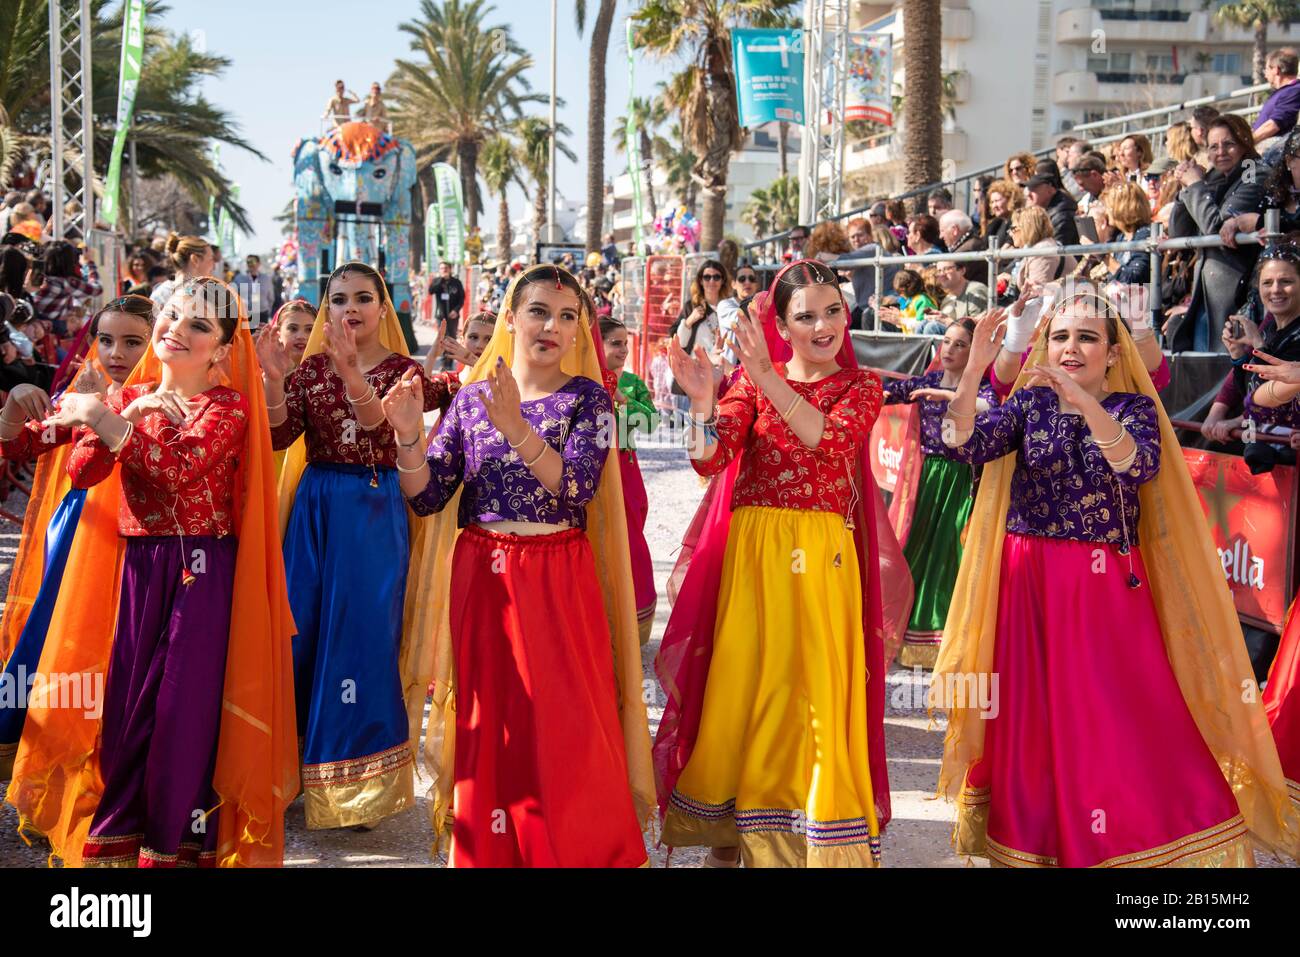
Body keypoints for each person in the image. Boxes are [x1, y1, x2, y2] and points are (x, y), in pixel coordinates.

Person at [932, 296, 1300, 868]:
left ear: (1111, 352)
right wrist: (977, 368)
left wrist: (1082, 402)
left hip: (1099, 586)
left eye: (1086, 338)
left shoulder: (1134, 408)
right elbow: (963, 442)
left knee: (1113, 712)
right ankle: (1038, 841)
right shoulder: (1028, 404)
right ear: (1044, 346)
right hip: (1026, 579)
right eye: (1060, 337)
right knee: (1030, 717)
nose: (1070, 348)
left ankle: (1132, 838)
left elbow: (1135, 465)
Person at [10, 277, 297, 867]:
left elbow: (175, 471)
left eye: (198, 325)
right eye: (172, 314)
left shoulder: (228, 407)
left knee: (179, 710)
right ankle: (119, 835)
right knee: (124, 709)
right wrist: (21, 399)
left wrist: (105, 416)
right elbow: (74, 466)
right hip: (138, 570)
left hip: (200, 573)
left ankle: (170, 845)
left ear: (221, 349)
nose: (176, 328)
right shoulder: (126, 398)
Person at [383, 264, 653, 867]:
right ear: (510, 319)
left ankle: (577, 850)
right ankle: (492, 849)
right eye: (539, 312)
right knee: (491, 716)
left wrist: (516, 427)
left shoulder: (589, 398)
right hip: (485, 575)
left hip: (557, 573)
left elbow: (576, 489)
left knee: (564, 715)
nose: (551, 327)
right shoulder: (472, 399)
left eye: (566, 317)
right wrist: (407, 439)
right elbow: (429, 496)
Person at [654, 259, 908, 867]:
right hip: (755, 554)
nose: (823, 326)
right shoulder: (747, 384)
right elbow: (708, 461)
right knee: (744, 680)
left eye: (832, 311)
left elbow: (831, 440)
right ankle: (729, 827)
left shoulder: (860, 386)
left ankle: (812, 830)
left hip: (823, 558)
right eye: (806, 316)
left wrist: (765, 375)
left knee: (815, 686)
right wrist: (699, 405)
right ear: (783, 325)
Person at [261, 262, 460, 831]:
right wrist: (275, 381)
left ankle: (356, 784)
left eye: (364, 297)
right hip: (315, 509)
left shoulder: (403, 373)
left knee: (363, 638)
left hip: (373, 511)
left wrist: (353, 376)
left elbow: (382, 432)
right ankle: (288, 772)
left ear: (383, 307)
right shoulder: (308, 370)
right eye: (340, 297)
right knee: (299, 631)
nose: (351, 307)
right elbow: (280, 435)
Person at [0, 295, 154, 777]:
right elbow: (24, 442)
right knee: (62, 637)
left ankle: (110, 768)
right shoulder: (84, 394)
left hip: (141, 538)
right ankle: (57, 761)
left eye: (133, 342)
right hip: (80, 530)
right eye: (105, 339)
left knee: (122, 644)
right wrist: (15, 400)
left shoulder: (170, 399)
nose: (116, 353)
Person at [881, 318, 997, 668]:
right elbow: (887, 392)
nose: (949, 349)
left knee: (952, 554)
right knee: (914, 551)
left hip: (962, 480)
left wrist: (951, 397)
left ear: (974, 350)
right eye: (946, 341)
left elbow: (990, 409)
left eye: (960, 344)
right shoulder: (928, 380)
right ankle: (909, 636)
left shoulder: (980, 387)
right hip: (927, 479)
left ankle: (950, 644)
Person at [1168, 114, 1266, 352]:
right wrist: (1185, 190)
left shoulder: (1254, 170)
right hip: (1206, 293)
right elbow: (1178, 232)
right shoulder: (1212, 179)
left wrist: (1195, 186)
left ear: (1244, 143)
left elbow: (1217, 228)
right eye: (1213, 146)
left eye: (1228, 144)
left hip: (1236, 294)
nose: (1220, 151)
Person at [600, 317, 659, 644]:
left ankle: (633, 622)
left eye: (626, 343)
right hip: (594, 469)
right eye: (615, 343)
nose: (623, 349)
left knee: (631, 536)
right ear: (598, 344)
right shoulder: (584, 380)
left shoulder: (633, 382)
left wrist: (624, 398)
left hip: (626, 467)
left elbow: (651, 423)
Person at [669, 260, 730, 424]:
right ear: (701, 281)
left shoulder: (729, 308)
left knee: (719, 423)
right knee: (693, 425)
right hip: (696, 372)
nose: (711, 281)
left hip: (722, 373)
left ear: (723, 280)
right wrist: (689, 321)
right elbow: (678, 342)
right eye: (707, 277)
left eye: (716, 277)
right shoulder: (692, 306)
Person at [32, 241, 101, 337]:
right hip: (54, 329)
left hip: (35, 326)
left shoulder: (39, 277)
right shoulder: (66, 282)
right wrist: (89, 263)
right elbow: (97, 289)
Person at [151, 234, 214, 310]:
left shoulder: (209, 293)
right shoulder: (163, 295)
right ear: (195, 260)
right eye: (211, 258)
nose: (214, 265)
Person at [1254, 48, 1300, 151]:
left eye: (1266, 69)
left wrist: (1247, 143)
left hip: (1272, 150)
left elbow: (1274, 124)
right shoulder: (1284, 92)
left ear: (1276, 70)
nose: (1265, 75)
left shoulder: (1294, 91)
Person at [428, 261, 466, 370]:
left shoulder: (456, 282)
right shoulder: (437, 281)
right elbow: (431, 291)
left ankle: (449, 363)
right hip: (441, 315)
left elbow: (461, 298)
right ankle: (444, 363)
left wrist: (456, 310)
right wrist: (441, 279)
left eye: (446, 268)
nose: (444, 270)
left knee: (451, 338)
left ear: (450, 269)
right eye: (442, 268)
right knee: (443, 338)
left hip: (453, 316)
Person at [1026, 173, 1080, 247]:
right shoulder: (1046, 211)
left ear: (1050, 190)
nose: (1028, 194)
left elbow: (1055, 249)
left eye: (1034, 189)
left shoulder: (1062, 214)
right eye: (1029, 189)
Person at [935, 259, 990, 324]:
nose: (942, 274)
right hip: (954, 332)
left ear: (962, 270)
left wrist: (948, 321)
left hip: (972, 333)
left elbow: (978, 326)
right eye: (939, 271)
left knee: (933, 327)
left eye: (947, 269)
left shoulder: (975, 291)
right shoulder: (948, 298)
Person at [233, 254, 275, 328]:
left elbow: (271, 296)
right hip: (247, 314)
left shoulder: (266, 278)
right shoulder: (239, 278)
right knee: (249, 337)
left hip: (262, 313)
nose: (251, 264)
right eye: (248, 262)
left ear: (259, 264)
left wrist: (267, 310)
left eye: (253, 262)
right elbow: (234, 296)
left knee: (262, 336)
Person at [982, 179, 1024, 248]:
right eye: (992, 202)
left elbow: (1010, 246)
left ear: (1010, 199)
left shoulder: (1018, 220)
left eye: (997, 201)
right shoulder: (997, 224)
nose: (994, 206)